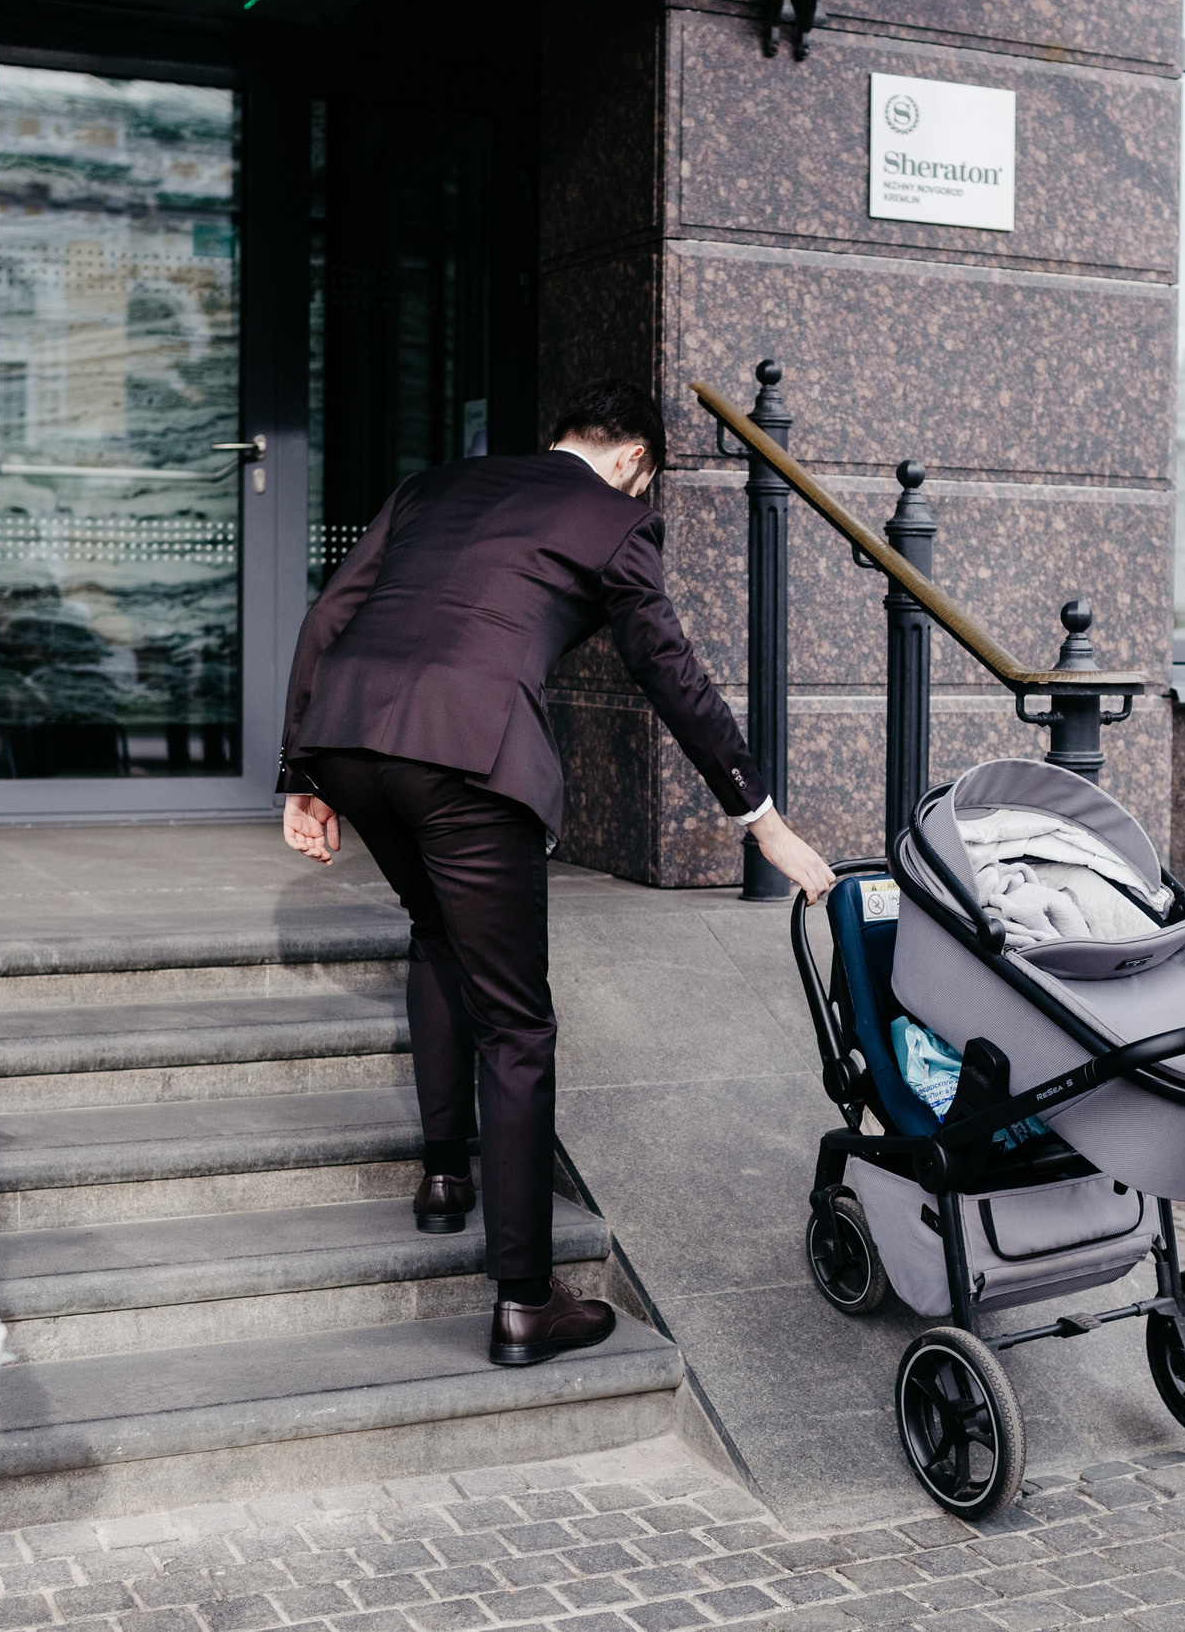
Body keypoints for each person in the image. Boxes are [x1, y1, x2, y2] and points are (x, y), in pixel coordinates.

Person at [279, 378, 834, 1367]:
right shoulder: (612, 517)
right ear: (632, 462)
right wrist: (761, 818)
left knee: (436, 932)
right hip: (467, 758)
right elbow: (670, 670)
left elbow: (329, 616)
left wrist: (301, 775)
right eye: (646, 483)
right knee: (519, 1025)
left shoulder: (434, 486)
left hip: (353, 738)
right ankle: (526, 1301)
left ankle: (447, 1176)